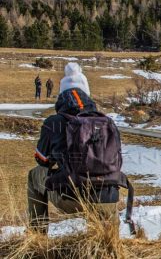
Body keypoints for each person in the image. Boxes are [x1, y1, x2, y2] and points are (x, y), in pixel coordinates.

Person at [28, 63, 133, 234]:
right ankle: (110, 240)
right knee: (105, 231)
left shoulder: (53, 122)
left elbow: (42, 161)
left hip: (70, 197)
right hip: (109, 198)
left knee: (34, 175)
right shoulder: (108, 122)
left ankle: (37, 235)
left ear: (62, 95)